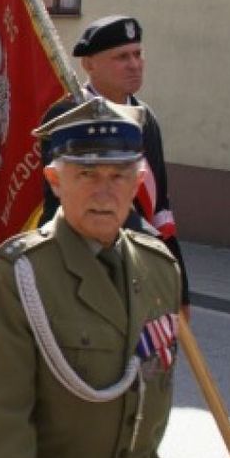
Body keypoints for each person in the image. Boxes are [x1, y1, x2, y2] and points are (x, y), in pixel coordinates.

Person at [0, 97, 182, 458]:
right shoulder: (20, 274)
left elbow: (152, 399)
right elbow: (3, 431)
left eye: (119, 175)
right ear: (54, 180)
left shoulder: (159, 268)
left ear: (138, 182)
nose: (105, 192)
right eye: (86, 175)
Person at [41, 15, 189, 306]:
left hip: (143, 265)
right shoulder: (67, 117)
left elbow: (160, 210)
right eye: (121, 57)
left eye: (138, 54)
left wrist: (179, 284)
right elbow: (63, 202)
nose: (134, 64)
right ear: (89, 64)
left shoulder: (145, 118)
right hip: (82, 267)